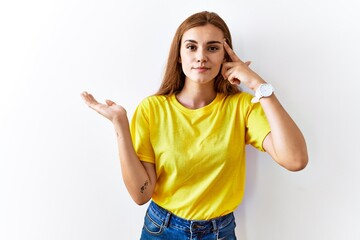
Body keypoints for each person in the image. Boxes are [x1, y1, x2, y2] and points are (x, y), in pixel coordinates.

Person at [81, 11, 308, 240]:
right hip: (161, 230)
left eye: (212, 48)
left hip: (219, 233)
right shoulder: (152, 109)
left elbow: (295, 159)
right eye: (191, 47)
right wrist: (120, 123)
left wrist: (258, 85)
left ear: (225, 55)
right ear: (179, 54)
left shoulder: (242, 107)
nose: (201, 57)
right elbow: (141, 195)